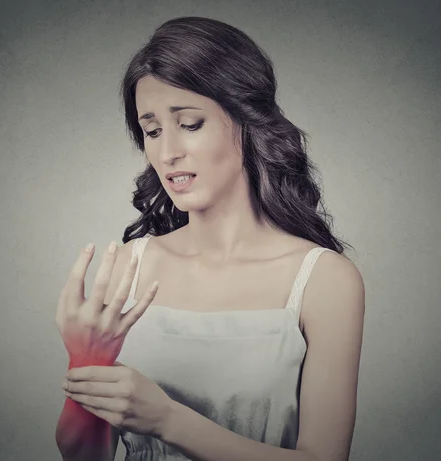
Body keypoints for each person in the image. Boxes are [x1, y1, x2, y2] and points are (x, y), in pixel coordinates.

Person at [55, 16, 365, 461]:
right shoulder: (128, 267)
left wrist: (167, 420)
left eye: (191, 123)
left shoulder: (324, 280)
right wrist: (83, 359)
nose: (167, 152)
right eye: (153, 130)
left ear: (247, 121)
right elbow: (83, 457)